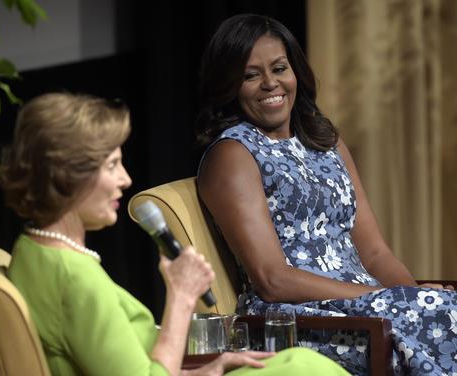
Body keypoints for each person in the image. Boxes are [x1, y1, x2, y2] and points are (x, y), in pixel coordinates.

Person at [0, 92, 349, 376]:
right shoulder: (72, 276)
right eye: (112, 166)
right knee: (305, 367)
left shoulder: (31, 248)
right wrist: (181, 296)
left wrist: (202, 371)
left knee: (295, 364)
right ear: (68, 176)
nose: (126, 180)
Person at [196, 13, 457, 376]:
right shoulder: (233, 154)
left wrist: (410, 297)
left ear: (296, 72)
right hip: (296, 320)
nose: (270, 84)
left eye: (279, 68)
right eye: (251, 75)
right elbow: (272, 279)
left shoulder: (324, 141)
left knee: (446, 309)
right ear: (230, 86)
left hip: (366, 308)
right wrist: (385, 300)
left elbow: (376, 252)